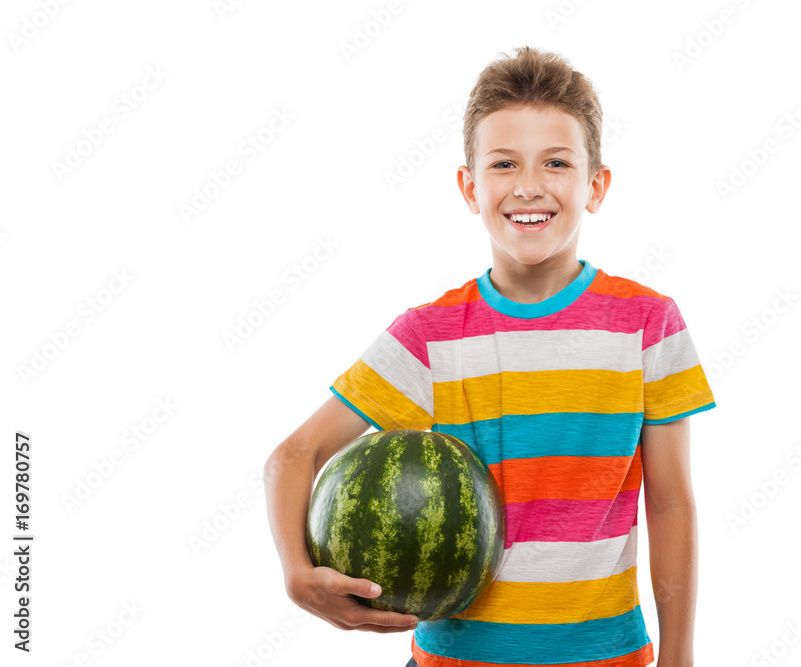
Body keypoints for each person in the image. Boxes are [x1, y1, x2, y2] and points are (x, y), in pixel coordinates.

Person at [264, 45, 717, 667]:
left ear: (596, 184)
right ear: (470, 187)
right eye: (504, 164)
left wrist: (681, 658)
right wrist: (297, 574)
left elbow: (670, 504)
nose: (529, 185)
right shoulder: (429, 336)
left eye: (556, 162)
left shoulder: (647, 324)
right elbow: (293, 457)